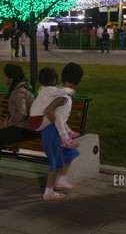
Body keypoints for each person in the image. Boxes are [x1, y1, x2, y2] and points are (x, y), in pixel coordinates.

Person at [40, 63, 84, 201]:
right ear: (77, 82)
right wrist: (63, 131)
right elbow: (48, 111)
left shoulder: (60, 90)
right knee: (56, 163)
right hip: (52, 133)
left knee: (70, 153)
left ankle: (61, 181)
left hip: (56, 132)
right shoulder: (63, 95)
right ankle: (48, 192)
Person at [29, 67, 79, 148]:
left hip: (34, 120)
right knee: (58, 115)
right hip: (38, 121)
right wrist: (71, 91)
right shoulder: (49, 90)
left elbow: (58, 90)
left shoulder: (43, 88)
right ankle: (65, 139)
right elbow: (65, 90)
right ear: (54, 80)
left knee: (57, 115)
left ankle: (68, 132)